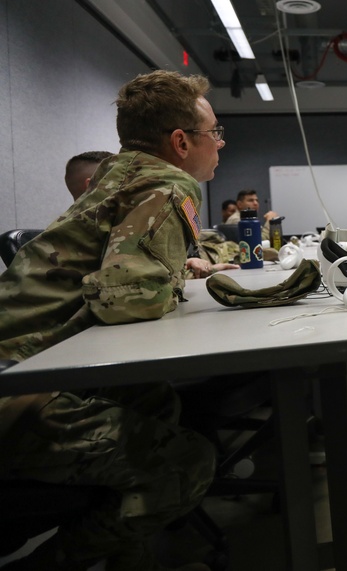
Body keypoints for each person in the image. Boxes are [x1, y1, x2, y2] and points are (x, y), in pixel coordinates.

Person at [0, 70, 234, 570]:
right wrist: (172, 282)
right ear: (180, 141)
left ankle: (129, 558)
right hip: (16, 392)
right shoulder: (170, 184)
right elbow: (128, 297)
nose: (220, 142)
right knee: (189, 464)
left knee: (157, 401)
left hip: (27, 371)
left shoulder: (117, 176)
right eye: (213, 132)